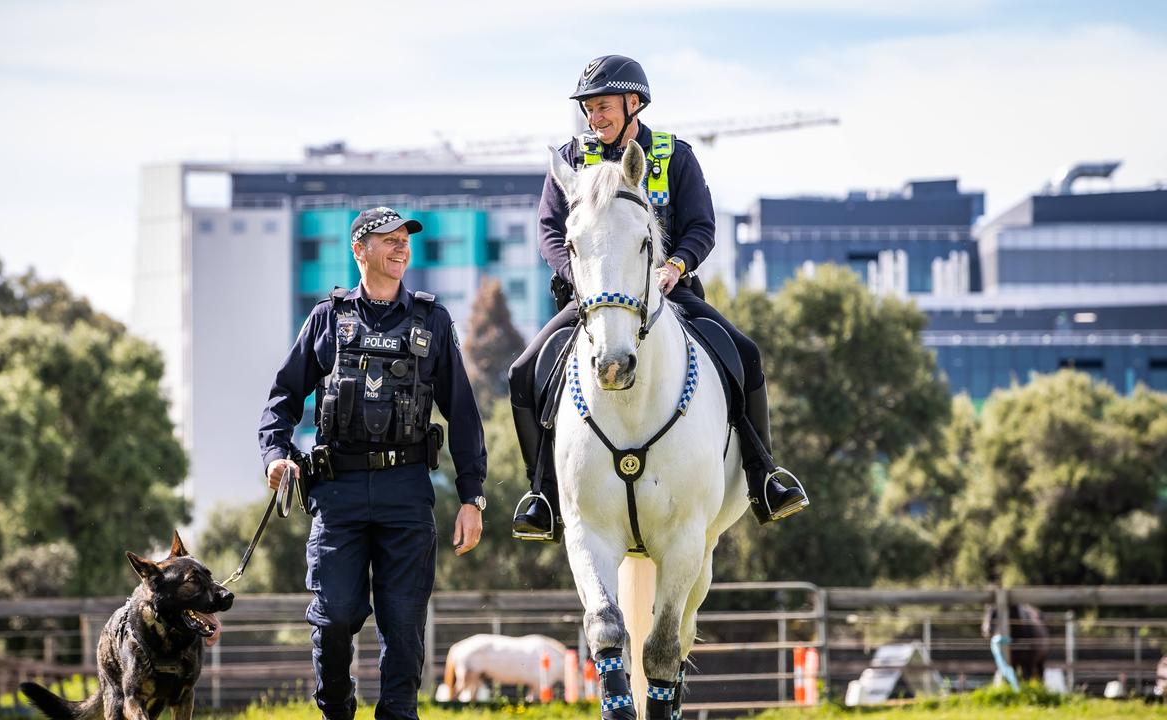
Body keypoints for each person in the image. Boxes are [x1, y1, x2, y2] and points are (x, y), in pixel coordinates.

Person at [509, 55, 808, 542]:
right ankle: (542, 495)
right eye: (588, 109)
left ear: (634, 103)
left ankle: (763, 475)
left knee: (746, 356)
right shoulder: (570, 159)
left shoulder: (676, 156)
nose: (594, 118)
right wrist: (575, 274)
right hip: (594, 300)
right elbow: (548, 231)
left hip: (671, 294)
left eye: (603, 107)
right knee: (521, 372)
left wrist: (675, 266)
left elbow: (701, 226)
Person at [259, 207, 487, 720]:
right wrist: (276, 454)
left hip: (406, 491)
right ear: (359, 250)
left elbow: (464, 414)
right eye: (388, 239)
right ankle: (336, 710)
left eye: (405, 238)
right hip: (336, 491)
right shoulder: (327, 317)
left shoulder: (433, 319)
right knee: (335, 615)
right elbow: (284, 395)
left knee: (404, 624)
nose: (401, 247)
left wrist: (472, 497)